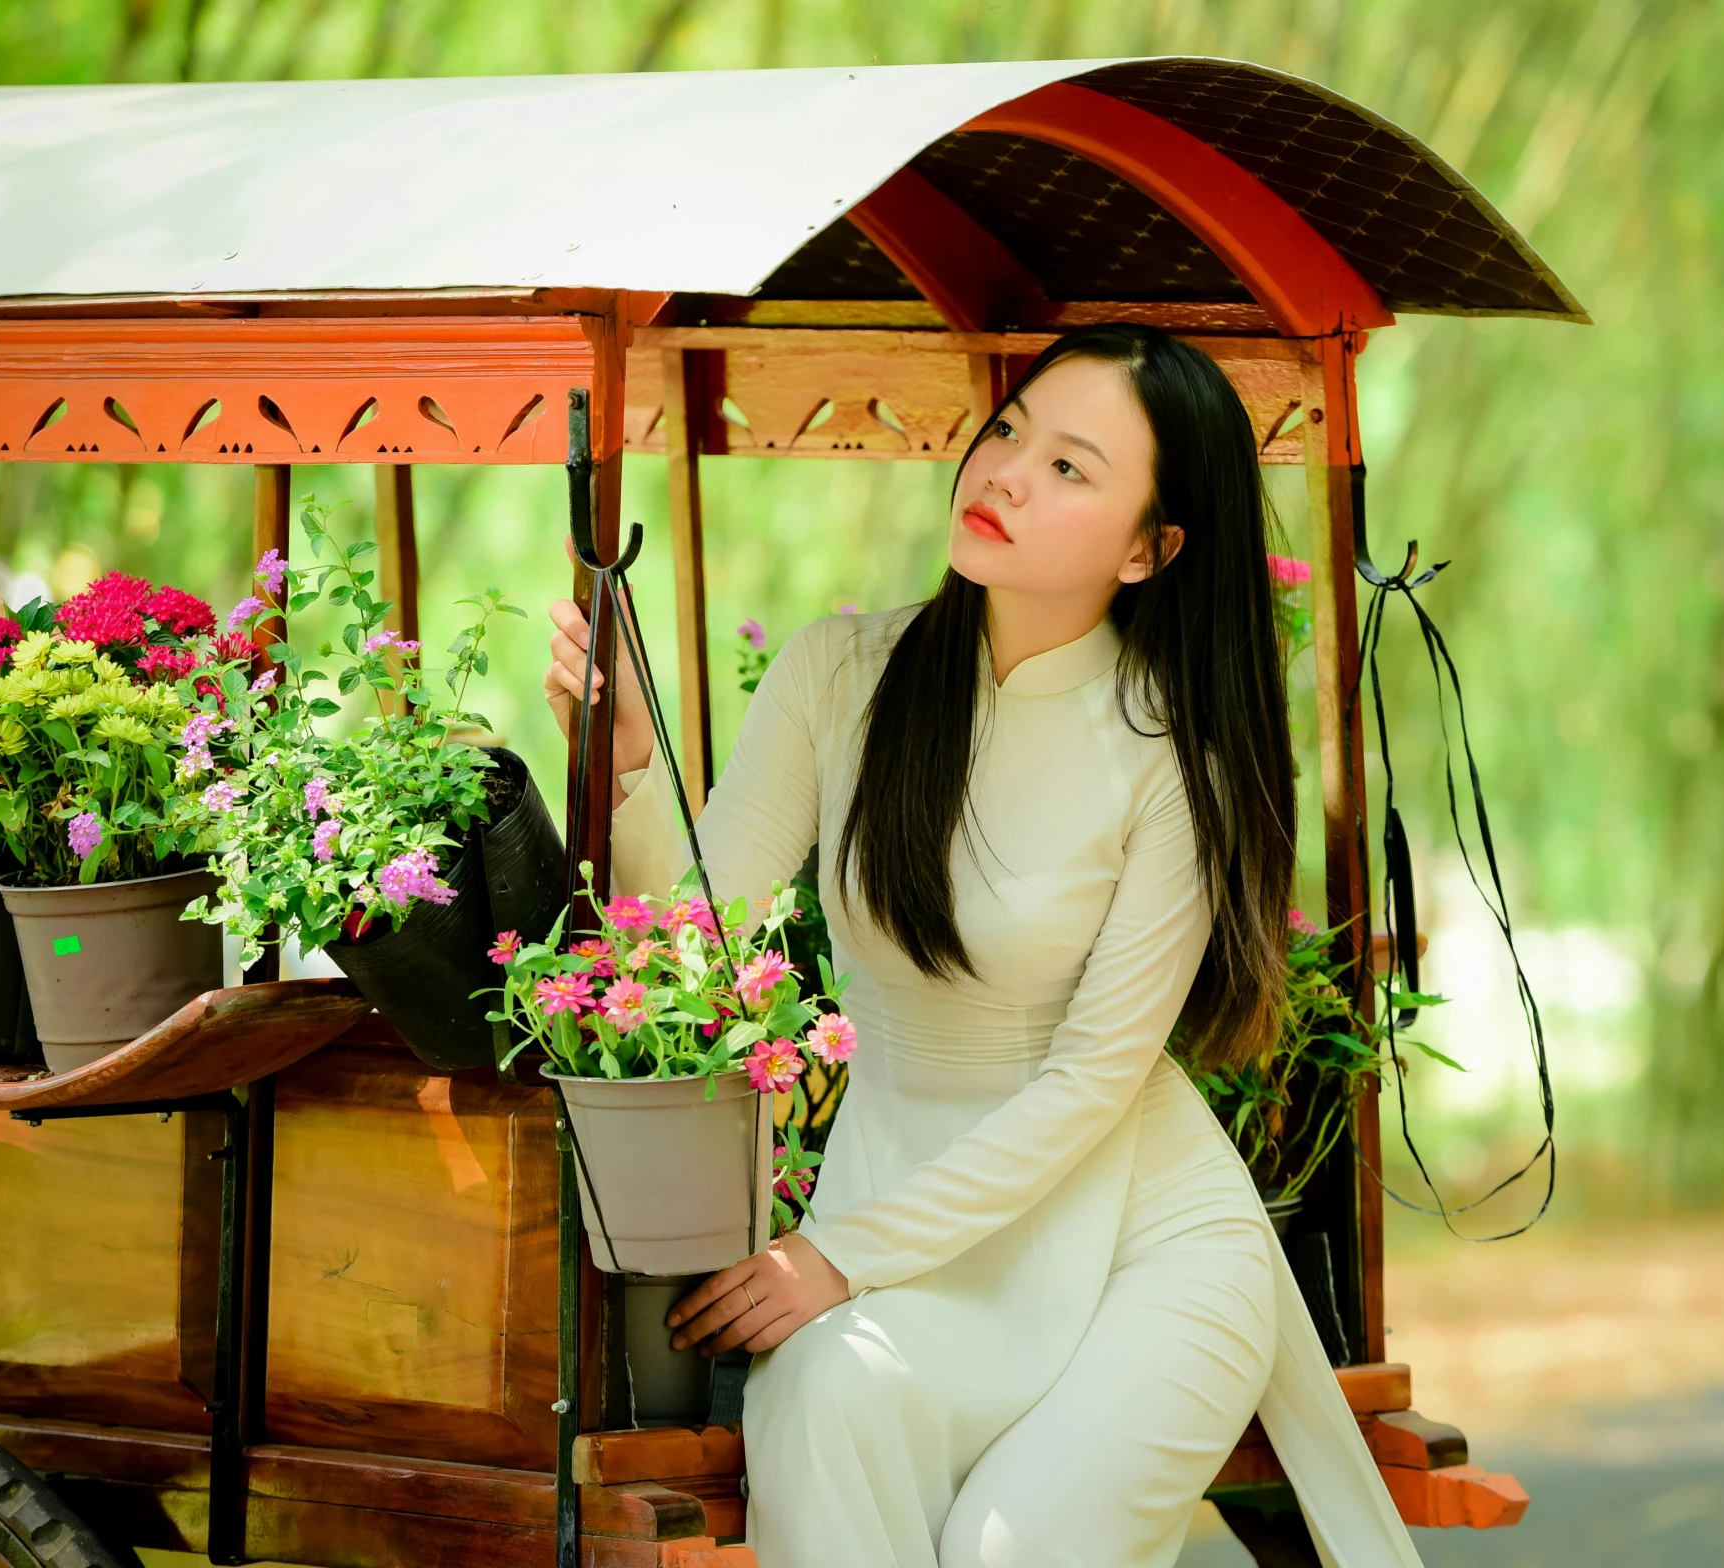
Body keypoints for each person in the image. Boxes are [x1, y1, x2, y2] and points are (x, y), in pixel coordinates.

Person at [546, 324, 1422, 1568]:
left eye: (1072, 467)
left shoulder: (1175, 759)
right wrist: (631, 763)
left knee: (1014, 1549)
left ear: (1148, 548)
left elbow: (1089, 1086)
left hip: (1143, 1244)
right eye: (1010, 431)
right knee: (820, 1400)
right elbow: (695, 933)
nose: (1005, 472)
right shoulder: (841, 674)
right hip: (915, 1230)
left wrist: (840, 1251)